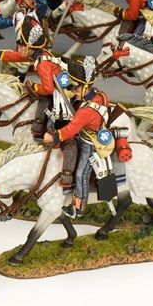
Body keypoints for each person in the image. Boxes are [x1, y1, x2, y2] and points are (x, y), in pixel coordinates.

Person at [42, 57, 110, 218]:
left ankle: (78, 208)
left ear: (85, 87)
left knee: (81, 174)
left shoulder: (86, 110)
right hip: (88, 133)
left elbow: (71, 129)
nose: (73, 92)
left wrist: (53, 137)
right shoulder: (100, 95)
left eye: (76, 89)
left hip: (89, 143)